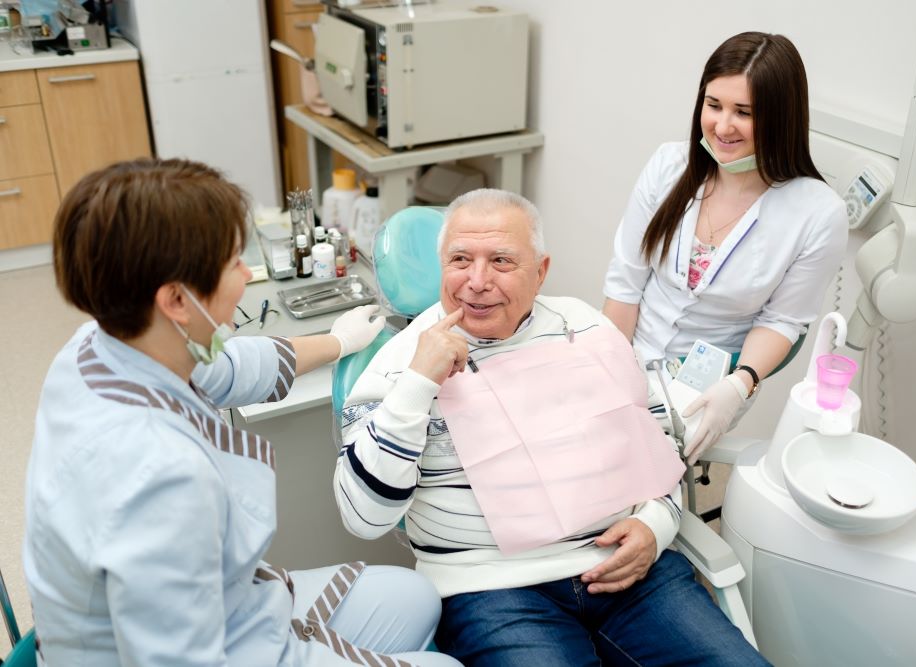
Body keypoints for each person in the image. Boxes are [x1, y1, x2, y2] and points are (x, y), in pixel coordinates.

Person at [23, 158, 461, 667]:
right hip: (200, 650)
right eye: (232, 261)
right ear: (176, 301)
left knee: (419, 598)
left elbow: (225, 365)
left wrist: (338, 341)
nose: (245, 274)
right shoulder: (153, 475)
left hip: (226, 604)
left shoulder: (102, 344)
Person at [336, 189, 768, 666]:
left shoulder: (585, 330)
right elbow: (364, 518)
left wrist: (656, 524)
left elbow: (656, 445)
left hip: (627, 568)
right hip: (491, 588)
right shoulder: (398, 367)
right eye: (460, 259)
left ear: (540, 272)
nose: (476, 281)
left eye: (501, 261)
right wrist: (418, 387)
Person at [603, 32, 849, 463]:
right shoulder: (669, 166)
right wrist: (609, 371)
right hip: (627, 349)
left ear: (781, 118)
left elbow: (783, 319)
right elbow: (626, 281)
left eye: (744, 113)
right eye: (713, 105)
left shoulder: (817, 213)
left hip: (712, 383)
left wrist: (740, 385)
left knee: (637, 471)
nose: (722, 126)